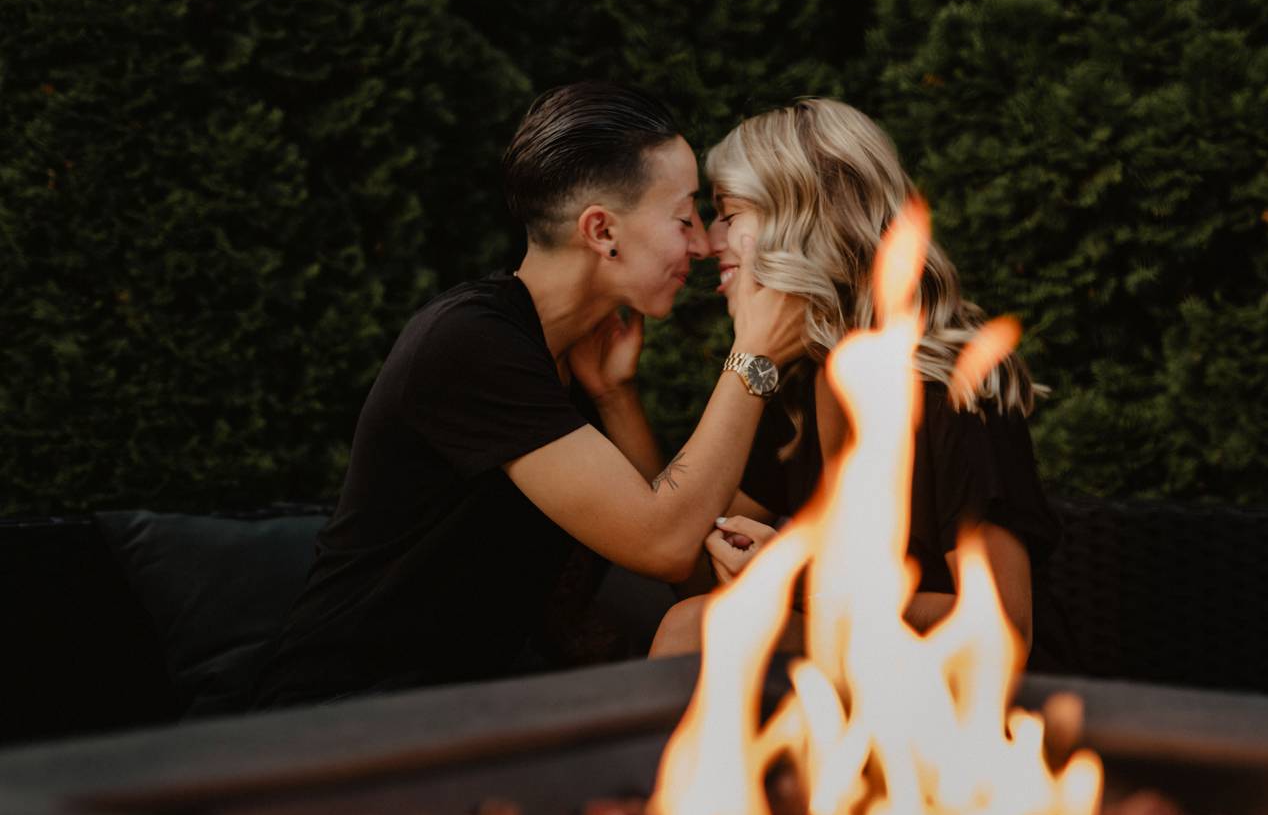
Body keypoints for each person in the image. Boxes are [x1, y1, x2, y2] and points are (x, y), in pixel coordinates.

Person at [249, 82, 803, 707]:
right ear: (602, 231)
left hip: (457, 712)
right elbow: (667, 545)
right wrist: (753, 357)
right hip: (339, 720)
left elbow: (666, 544)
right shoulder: (470, 344)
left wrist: (617, 397)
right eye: (685, 217)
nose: (703, 244)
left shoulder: (572, 360)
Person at [649, 98, 1070, 670]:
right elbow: (677, 556)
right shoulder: (798, 386)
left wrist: (800, 583)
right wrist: (612, 395)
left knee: (697, 628)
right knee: (693, 621)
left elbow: (1004, 628)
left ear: (800, 221)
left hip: (985, 718)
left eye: (728, 213)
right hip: (863, 686)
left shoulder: (952, 393)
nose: (708, 241)